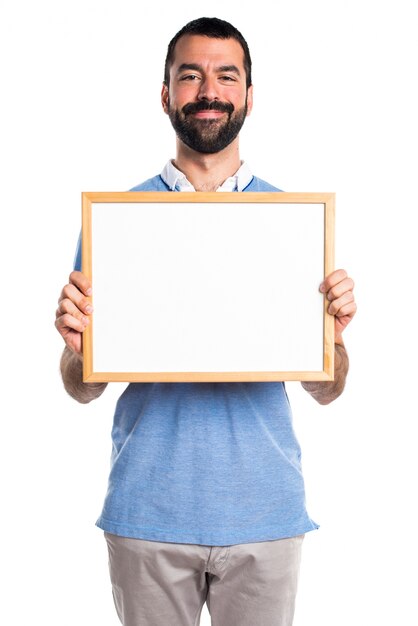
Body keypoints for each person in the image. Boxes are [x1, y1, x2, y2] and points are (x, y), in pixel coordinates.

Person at [55, 17, 356, 626]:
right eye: (190, 76)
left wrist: (333, 343)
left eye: (226, 75)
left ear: (248, 94)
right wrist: (76, 348)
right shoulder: (117, 222)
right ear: (166, 94)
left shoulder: (294, 223)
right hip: (148, 512)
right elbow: (81, 385)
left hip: (264, 514)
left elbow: (328, 388)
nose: (208, 90)